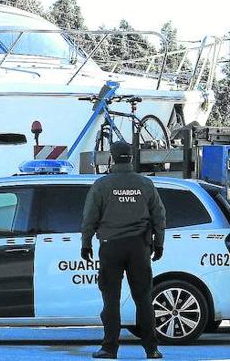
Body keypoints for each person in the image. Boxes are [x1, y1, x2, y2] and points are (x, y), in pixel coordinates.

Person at [81, 141, 165, 360]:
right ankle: (151, 349)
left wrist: (86, 243)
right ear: (131, 157)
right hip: (139, 247)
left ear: (112, 157)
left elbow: (90, 217)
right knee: (144, 299)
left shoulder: (102, 184)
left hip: (111, 247)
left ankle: (109, 348)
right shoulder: (145, 184)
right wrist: (159, 243)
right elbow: (159, 216)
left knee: (111, 300)